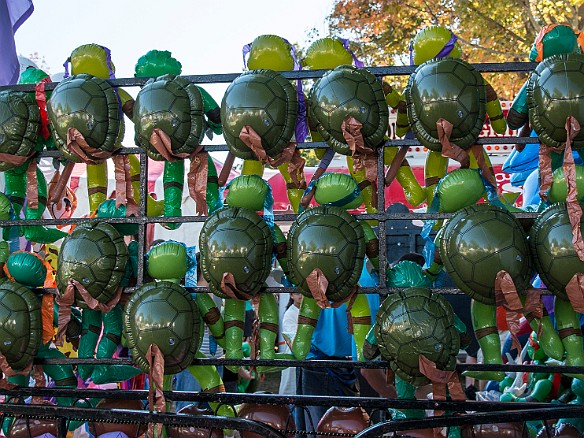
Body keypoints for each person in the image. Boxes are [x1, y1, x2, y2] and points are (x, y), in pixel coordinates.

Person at [279, 292, 302, 395]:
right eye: (297, 294)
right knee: (292, 389)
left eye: (302, 293)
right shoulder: (290, 313)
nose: (300, 296)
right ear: (291, 295)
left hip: (308, 351)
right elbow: (291, 337)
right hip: (294, 351)